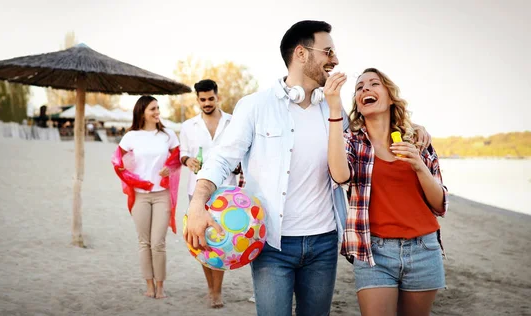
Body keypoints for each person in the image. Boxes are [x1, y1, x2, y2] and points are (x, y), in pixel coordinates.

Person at [184, 20, 348, 316]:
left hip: (324, 242)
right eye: (328, 51)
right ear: (301, 53)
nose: (335, 60)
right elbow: (222, 159)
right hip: (272, 244)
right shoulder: (255, 105)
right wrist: (197, 203)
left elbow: (371, 133)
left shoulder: (334, 109)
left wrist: (414, 127)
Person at [324, 68, 448, 316]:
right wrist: (335, 109)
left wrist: (419, 166)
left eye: (374, 84)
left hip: (424, 249)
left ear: (390, 97)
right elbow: (339, 175)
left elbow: (440, 204)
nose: (365, 89)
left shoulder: (417, 140)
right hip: (373, 252)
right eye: (359, 87)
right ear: (358, 105)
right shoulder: (352, 142)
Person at [111, 95, 181, 299]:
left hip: (162, 195)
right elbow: (117, 162)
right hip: (140, 197)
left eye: (158, 108)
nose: (157, 112)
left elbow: (177, 158)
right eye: (153, 109)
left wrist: (170, 167)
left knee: (158, 242)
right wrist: (134, 179)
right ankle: (149, 286)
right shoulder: (131, 136)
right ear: (142, 112)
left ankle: (160, 287)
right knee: (144, 243)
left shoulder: (168, 135)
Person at [179, 79, 240, 308]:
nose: (206, 103)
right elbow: (182, 154)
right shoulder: (188, 126)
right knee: (202, 240)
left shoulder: (234, 123)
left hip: (227, 190)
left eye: (210, 98)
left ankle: (218, 289)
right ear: (197, 99)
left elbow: (241, 154)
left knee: (223, 240)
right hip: (196, 191)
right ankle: (211, 289)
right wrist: (188, 160)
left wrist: (238, 166)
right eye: (202, 99)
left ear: (218, 97)